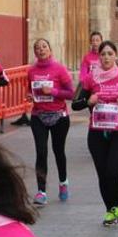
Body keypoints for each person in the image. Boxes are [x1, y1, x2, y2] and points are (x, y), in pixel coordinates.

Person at [72, 40, 118, 226]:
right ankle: (110, 210)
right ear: (98, 57)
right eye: (103, 54)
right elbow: (75, 104)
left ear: (116, 56)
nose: (106, 57)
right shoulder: (90, 78)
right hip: (96, 133)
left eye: (110, 54)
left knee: (113, 171)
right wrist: (88, 102)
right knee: (103, 174)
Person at [26, 38, 75, 205]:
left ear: (50, 49)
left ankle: (63, 182)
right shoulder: (31, 71)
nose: (41, 50)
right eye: (37, 48)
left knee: (58, 150)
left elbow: (71, 93)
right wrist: (30, 96)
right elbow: (30, 89)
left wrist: (53, 91)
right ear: (35, 52)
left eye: (44, 46)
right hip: (38, 115)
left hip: (58, 116)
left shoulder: (59, 69)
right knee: (41, 152)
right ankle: (41, 191)